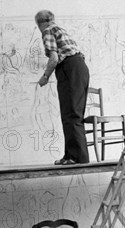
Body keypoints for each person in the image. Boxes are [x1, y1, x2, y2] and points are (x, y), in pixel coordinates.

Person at [35, 10, 90, 165]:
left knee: (70, 114)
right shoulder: (61, 30)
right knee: (73, 114)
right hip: (80, 67)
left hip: (69, 69)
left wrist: (45, 76)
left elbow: (54, 57)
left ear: (40, 23)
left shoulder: (47, 30)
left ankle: (76, 157)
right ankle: (71, 155)